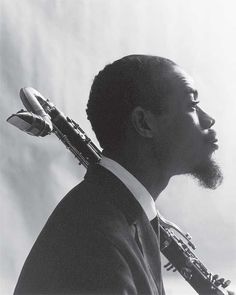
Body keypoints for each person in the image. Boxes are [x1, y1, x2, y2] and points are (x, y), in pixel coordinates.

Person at [14, 55, 224, 295]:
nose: (208, 119)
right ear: (144, 123)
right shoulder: (97, 245)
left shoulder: (121, 211)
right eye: (191, 105)